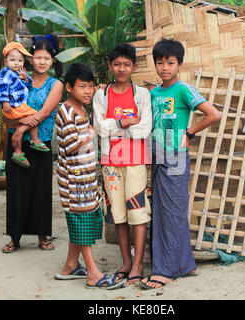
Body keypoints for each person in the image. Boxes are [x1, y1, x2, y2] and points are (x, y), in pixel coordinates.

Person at [140, 38, 221, 290]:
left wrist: (189, 133)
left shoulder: (184, 90)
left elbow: (214, 114)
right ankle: (185, 264)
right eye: (160, 63)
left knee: (171, 212)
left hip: (175, 157)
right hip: (157, 156)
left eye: (170, 63)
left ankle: (166, 270)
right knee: (163, 210)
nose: (165, 67)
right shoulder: (153, 93)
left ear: (180, 64)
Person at [54, 63, 125, 290]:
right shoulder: (65, 112)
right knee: (81, 220)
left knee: (84, 219)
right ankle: (93, 273)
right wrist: (90, 133)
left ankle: (70, 266)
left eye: (90, 86)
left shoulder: (84, 108)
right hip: (74, 179)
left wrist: (101, 91)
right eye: (82, 86)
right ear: (69, 87)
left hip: (85, 176)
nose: (87, 91)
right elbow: (71, 145)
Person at [93, 43, 152, 285]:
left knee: (137, 213)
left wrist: (113, 123)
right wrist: (127, 121)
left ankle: (138, 264)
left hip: (136, 161)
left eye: (127, 64)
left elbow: (144, 128)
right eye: (117, 64)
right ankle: (125, 261)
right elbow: (99, 127)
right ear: (110, 66)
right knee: (118, 214)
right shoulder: (101, 95)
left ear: (134, 67)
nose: (121, 68)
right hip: (110, 162)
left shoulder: (142, 95)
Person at [1, 37, 63, 253]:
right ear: (31, 59)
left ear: (52, 61)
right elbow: (6, 113)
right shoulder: (16, 80)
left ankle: (42, 237)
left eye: (47, 58)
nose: (42, 62)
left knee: (40, 191)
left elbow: (45, 113)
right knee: (16, 190)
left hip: (41, 144)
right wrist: (16, 127)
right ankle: (14, 238)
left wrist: (20, 129)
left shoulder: (55, 85)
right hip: (16, 145)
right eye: (38, 57)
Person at [0, 42, 50, 168]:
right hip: (13, 106)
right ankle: (34, 140)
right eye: (12, 60)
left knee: (23, 124)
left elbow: (28, 85)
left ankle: (18, 152)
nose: (16, 63)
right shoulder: (5, 74)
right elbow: (1, 87)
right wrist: (5, 101)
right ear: (5, 60)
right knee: (33, 117)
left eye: (20, 60)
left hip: (19, 105)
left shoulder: (18, 72)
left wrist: (25, 78)